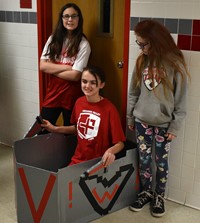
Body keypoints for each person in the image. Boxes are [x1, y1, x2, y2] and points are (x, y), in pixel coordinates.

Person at [127, 19, 190, 217]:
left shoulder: (175, 63)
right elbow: (133, 92)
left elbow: (181, 100)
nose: (141, 48)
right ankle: (146, 192)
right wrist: (130, 117)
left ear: (156, 40)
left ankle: (159, 196)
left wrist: (175, 126)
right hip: (141, 122)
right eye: (139, 43)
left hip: (164, 125)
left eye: (144, 44)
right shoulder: (141, 61)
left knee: (161, 163)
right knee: (144, 161)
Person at [41, 65, 126, 167]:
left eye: (93, 83)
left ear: (102, 85)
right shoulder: (79, 102)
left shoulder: (110, 109)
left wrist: (110, 151)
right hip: (78, 160)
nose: (87, 86)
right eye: (84, 81)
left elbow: (120, 143)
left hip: (98, 163)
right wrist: (54, 128)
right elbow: (77, 129)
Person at [40, 3, 91, 128]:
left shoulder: (83, 44)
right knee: (43, 129)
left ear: (79, 19)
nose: (70, 20)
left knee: (69, 135)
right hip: (53, 93)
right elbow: (42, 66)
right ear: (61, 19)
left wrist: (53, 69)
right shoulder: (53, 39)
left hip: (72, 96)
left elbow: (75, 76)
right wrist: (67, 67)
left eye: (74, 16)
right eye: (66, 16)